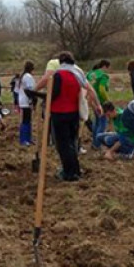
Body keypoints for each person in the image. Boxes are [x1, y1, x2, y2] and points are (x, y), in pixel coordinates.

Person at [35, 52, 105, 181]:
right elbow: (90, 89)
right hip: (74, 114)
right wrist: (98, 105)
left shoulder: (58, 75)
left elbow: (53, 95)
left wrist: (37, 94)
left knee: (63, 145)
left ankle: (69, 173)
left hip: (59, 113)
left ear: (61, 62)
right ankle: (75, 170)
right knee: (72, 143)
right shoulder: (77, 74)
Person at [87, 60, 111, 149]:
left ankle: (94, 142)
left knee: (96, 121)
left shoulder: (90, 74)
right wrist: (107, 100)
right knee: (102, 122)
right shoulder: (103, 76)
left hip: (91, 100)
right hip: (100, 101)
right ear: (104, 66)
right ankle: (97, 144)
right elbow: (102, 89)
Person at [15, 61, 37, 146]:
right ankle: (24, 140)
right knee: (25, 120)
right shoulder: (28, 76)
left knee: (28, 119)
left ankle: (28, 138)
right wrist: (33, 101)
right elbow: (30, 90)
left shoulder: (23, 76)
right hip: (26, 101)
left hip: (23, 100)